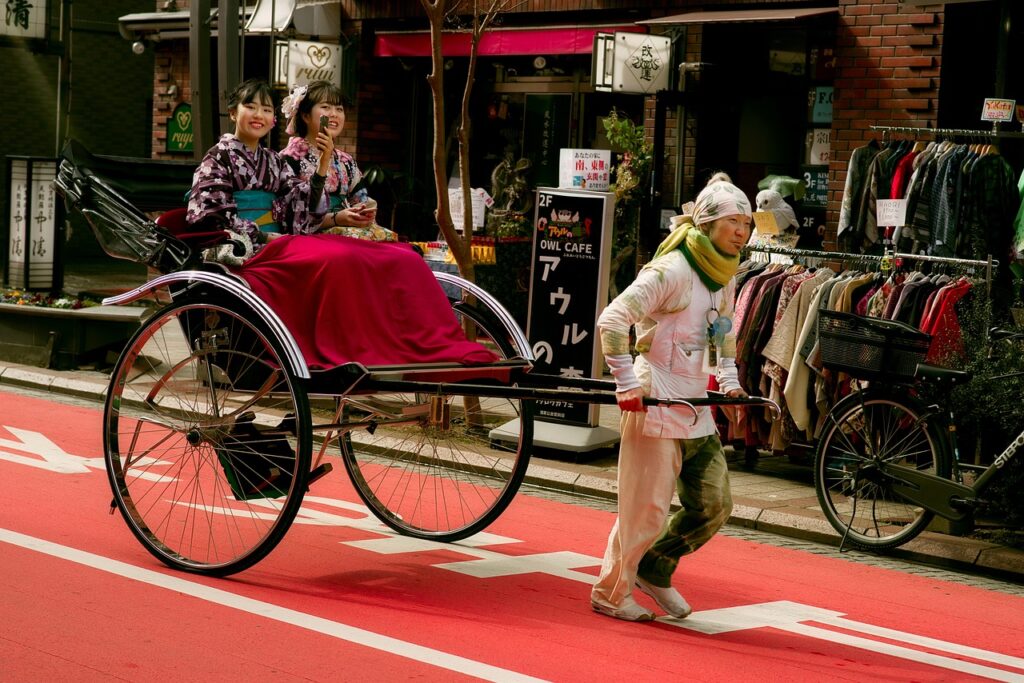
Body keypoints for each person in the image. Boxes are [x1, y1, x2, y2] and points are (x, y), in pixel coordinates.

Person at [590, 180, 753, 622]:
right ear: (706, 222)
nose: (741, 232)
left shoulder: (723, 272)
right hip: (655, 396)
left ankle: (654, 568)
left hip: (695, 401)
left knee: (715, 505)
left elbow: (723, 332)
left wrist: (730, 379)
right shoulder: (673, 269)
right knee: (646, 508)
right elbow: (612, 319)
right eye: (731, 222)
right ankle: (610, 591)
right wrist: (625, 382)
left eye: (746, 223)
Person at [187, 78, 333, 264]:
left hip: (275, 243)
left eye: (266, 109)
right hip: (239, 246)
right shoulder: (217, 158)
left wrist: (324, 162)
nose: (258, 115)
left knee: (327, 257)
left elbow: (301, 201)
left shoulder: (275, 161)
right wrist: (263, 236)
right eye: (250, 107)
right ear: (233, 113)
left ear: (273, 119)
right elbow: (215, 215)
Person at [279, 80, 396, 242]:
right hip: (311, 237)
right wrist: (335, 218)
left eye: (339, 109)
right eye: (326, 107)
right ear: (305, 115)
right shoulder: (289, 158)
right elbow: (293, 217)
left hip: (346, 229)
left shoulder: (346, 161)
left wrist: (361, 213)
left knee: (402, 253)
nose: (334, 114)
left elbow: (361, 200)